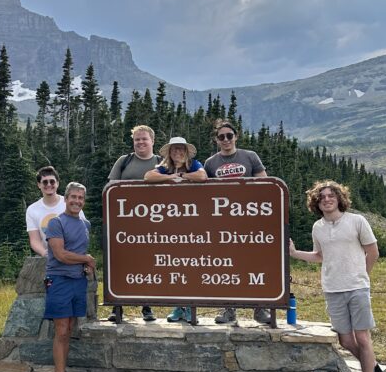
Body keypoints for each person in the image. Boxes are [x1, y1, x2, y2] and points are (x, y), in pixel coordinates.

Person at [289, 180, 386, 372]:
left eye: (331, 195)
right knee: (345, 340)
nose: (326, 199)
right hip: (332, 288)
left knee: (362, 337)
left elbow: (372, 251)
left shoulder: (356, 221)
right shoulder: (318, 228)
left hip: (357, 287)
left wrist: (364, 276)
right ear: (316, 202)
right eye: (321, 197)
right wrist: (295, 254)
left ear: (339, 198)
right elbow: (319, 255)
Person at [204, 119, 271, 326]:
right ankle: (228, 308)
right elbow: (204, 193)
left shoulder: (250, 156)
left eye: (229, 136)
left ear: (236, 137)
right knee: (225, 265)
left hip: (249, 220)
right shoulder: (210, 163)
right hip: (223, 223)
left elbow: (264, 183)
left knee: (255, 263)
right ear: (216, 140)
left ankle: (260, 308)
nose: (226, 140)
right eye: (221, 137)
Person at [145, 137, 207, 322]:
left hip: (194, 226)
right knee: (176, 267)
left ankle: (190, 308)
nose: (177, 153)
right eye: (174, 150)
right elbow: (148, 176)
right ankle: (178, 308)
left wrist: (182, 176)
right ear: (169, 153)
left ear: (186, 152)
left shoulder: (194, 164)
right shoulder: (165, 167)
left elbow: (203, 176)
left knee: (192, 267)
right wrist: (170, 176)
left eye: (181, 149)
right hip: (171, 228)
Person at [44, 182, 95, 372]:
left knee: (69, 330)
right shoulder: (56, 223)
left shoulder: (85, 224)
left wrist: (84, 265)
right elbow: (61, 254)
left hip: (78, 281)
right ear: (65, 199)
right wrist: (86, 260)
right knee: (61, 330)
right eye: (73, 197)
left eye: (80, 198)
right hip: (59, 281)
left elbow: (80, 251)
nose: (76, 201)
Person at [107, 125, 160, 323]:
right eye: (137, 139)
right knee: (122, 264)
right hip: (125, 225)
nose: (140, 142)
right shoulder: (124, 161)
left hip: (153, 225)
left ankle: (147, 307)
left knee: (149, 265)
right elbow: (111, 187)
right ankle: (117, 307)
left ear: (152, 141)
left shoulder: (160, 163)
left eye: (144, 139)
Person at [26, 166, 86, 257]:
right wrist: (44, 253)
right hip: (47, 258)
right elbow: (34, 240)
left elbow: (82, 232)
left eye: (52, 181)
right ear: (39, 185)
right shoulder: (32, 209)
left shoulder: (71, 203)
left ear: (57, 183)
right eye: (45, 182)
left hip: (73, 254)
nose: (49, 185)